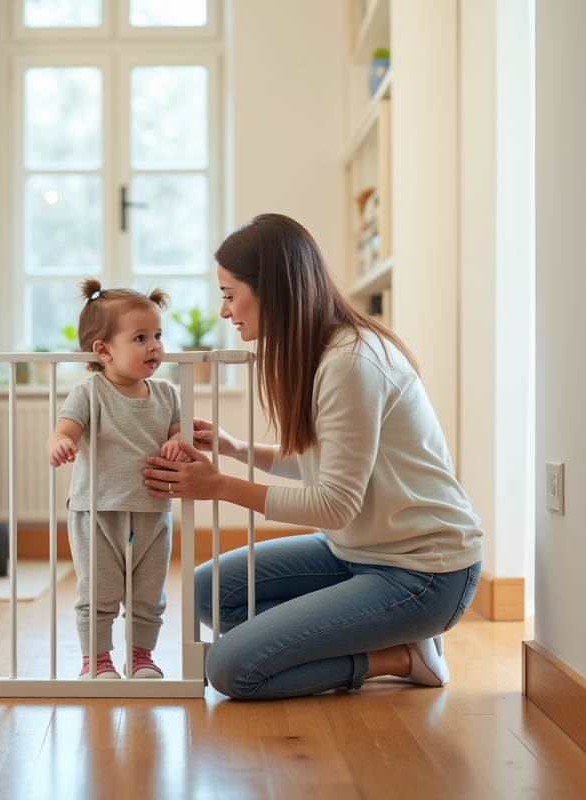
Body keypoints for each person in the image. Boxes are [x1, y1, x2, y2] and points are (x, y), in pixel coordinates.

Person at [141, 213, 483, 700]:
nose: (224, 311)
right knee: (206, 591)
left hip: (424, 571)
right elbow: (322, 462)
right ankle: (348, 631)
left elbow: (333, 504)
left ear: (272, 290)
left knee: (231, 667)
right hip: (353, 552)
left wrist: (219, 486)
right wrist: (235, 448)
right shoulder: (321, 353)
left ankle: (401, 655)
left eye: (228, 294)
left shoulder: (350, 362)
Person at [47, 278, 190, 680]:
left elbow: (179, 432)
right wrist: (59, 445)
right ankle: (97, 660)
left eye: (158, 335)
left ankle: (142, 656)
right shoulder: (88, 393)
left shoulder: (166, 394)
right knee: (99, 592)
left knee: (149, 595)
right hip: (97, 513)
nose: (155, 346)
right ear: (103, 350)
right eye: (141, 337)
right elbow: (63, 432)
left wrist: (179, 441)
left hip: (152, 513)